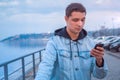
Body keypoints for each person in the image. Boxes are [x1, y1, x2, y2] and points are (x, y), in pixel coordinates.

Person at [35, 3, 108, 80]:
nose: (80, 24)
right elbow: (45, 67)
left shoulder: (91, 43)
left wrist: (99, 61)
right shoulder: (54, 42)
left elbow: (100, 76)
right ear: (66, 19)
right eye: (75, 20)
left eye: (82, 20)